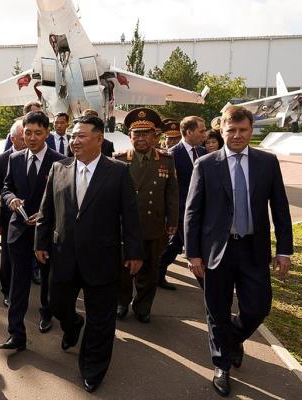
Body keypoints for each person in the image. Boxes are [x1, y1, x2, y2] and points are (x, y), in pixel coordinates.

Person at [184, 106, 293, 396]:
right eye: (231, 130)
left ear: (251, 131)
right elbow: (192, 212)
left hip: (253, 249)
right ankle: (221, 365)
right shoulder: (206, 165)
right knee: (216, 311)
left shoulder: (267, 163)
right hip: (215, 252)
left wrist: (284, 250)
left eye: (243, 130)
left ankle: (231, 339)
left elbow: (280, 209)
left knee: (259, 306)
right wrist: (192, 254)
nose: (237, 135)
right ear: (221, 130)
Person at [35, 115, 143, 393]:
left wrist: (134, 252)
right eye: (72, 135)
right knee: (57, 305)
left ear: (99, 139)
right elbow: (47, 211)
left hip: (102, 258)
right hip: (63, 256)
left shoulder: (118, 171)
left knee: (101, 320)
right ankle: (72, 325)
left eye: (81, 135)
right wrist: (40, 243)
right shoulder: (59, 168)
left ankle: (92, 369)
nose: (74, 140)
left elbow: (130, 216)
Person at [0, 111, 65, 351]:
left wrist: (46, 216)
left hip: (46, 234)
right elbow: (6, 187)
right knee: (19, 283)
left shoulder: (60, 161)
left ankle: (47, 313)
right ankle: (16, 333)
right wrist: (11, 199)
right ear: (21, 133)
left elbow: (66, 198)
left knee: (48, 280)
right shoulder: (14, 159)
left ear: (47, 133)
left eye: (38, 133)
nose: (33, 137)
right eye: (28, 133)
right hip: (17, 231)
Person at [114, 108, 179, 323]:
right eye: (136, 134)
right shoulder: (120, 160)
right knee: (123, 270)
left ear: (155, 136)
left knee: (150, 271)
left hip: (154, 224)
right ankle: (122, 302)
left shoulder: (166, 160)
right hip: (125, 226)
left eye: (145, 134)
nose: (140, 138)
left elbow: (172, 193)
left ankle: (142, 306)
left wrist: (173, 220)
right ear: (130, 136)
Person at [157, 116, 207, 290]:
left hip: (201, 211)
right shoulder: (170, 155)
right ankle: (209, 290)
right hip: (179, 212)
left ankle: (157, 271)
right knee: (195, 250)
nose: (205, 134)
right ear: (189, 132)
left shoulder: (204, 153)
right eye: (201, 130)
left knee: (175, 245)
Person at [0, 120, 26, 307]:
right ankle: (7, 291)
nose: (27, 141)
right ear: (12, 139)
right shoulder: (1, 161)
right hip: (7, 220)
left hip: (33, 220)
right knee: (8, 258)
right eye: (22, 138)